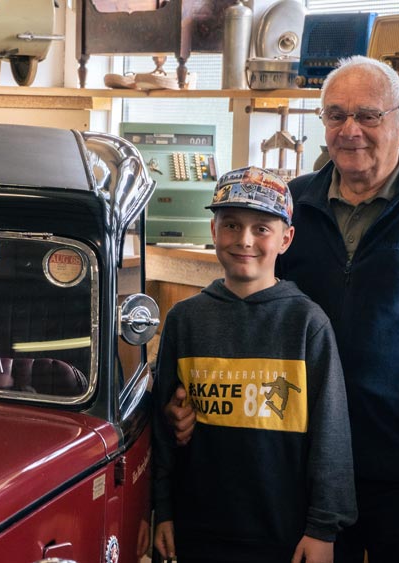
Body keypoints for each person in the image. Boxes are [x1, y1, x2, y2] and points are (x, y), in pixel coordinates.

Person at [165, 56, 399, 562]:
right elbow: (252, 314)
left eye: (368, 115)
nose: (350, 130)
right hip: (301, 463)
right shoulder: (293, 203)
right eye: (335, 115)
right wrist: (195, 400)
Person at [152, 166, 356, 563]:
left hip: (283, 533)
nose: (244, 240)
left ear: (286, 238)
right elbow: (163, 427)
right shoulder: (184, 320)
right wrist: (163, 507)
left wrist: (322, 528)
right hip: (197, 529)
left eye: (261, 228)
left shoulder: (307, 323)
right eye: (231, 225)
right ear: (213, 231)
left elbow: (331, 434)